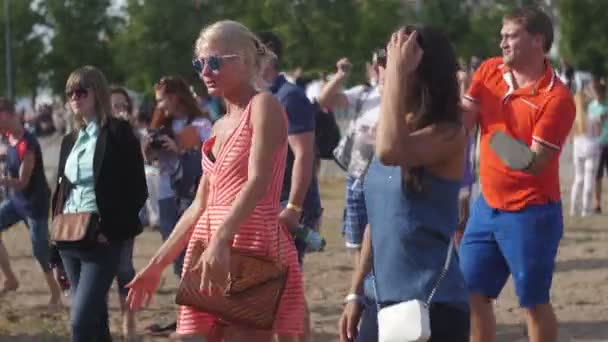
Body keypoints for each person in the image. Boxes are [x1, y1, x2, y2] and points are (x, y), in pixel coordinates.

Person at [127, 20, 305, 342]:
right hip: (210, 247)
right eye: (199, 63)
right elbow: (200, 205)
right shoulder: (219, 125)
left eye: (215, 61)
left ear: (247, 60)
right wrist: (156, 264)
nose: (205, 71)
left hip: (252, 246)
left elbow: (259, 181)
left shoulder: (264, 105)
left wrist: (222, 238)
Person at [339, 25, 470, 342]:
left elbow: (391, 151)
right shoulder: (389, 130)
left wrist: (395, 73)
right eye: (386, 56)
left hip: (433, 305)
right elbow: (377, 221)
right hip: (379, 300)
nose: (384, 64)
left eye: (394, 56)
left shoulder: (448, 132)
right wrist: (355, 293)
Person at [460, 6, 575, 342]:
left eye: (511, 36)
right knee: (472, 293)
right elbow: (464, 122)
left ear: (538, 40)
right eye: (502, 36)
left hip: (532, 213)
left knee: (533, 303)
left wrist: (493, 135)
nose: (502, 43)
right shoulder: (488, 70)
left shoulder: (557, 98)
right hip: (487, 207)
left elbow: (535, 163)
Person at [52, 66, 147, 342]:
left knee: (80, 322)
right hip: (68, 235)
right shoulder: (70, 139)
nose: (75, 98)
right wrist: (54, 249)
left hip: (100, 238)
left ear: (98, 92)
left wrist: (113, 230)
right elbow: (60, 193)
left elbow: (137, 189)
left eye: (81, 91)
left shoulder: (117, 132)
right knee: (95, 321)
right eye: (70, 93)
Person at [258, 30, 321, 342]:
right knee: (280, 289)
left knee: (285, 290)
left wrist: (294, 206)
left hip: (289, 205)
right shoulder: (261, 97)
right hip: (269, 203)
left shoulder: (289, 97)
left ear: (267, 54)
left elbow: (304, 154)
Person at [0, 97, 62, 307]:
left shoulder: (28, 143)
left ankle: (56, 291)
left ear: (6, 115)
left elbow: (22, 181)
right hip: (16, 202)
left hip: (35, 203)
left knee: (40, 250)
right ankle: (10, 278)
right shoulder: (8, 136)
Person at [110, 86, 139, 339]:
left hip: (125, 212)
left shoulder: (131, 135)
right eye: (114, 106)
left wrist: (127, 134)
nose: (119, 110)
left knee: (124, 268)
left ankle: (128, 319)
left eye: (123, 106)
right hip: (97, 213)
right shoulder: (94, 133)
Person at [569, 85, 602, 217]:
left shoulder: (573, 119)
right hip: (592, 149)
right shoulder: (593, 117)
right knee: (589, 182)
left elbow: (571, 138)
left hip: (578, 149)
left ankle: (573, 208)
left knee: (578, 180)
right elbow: (598, 133)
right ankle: (585, 210)